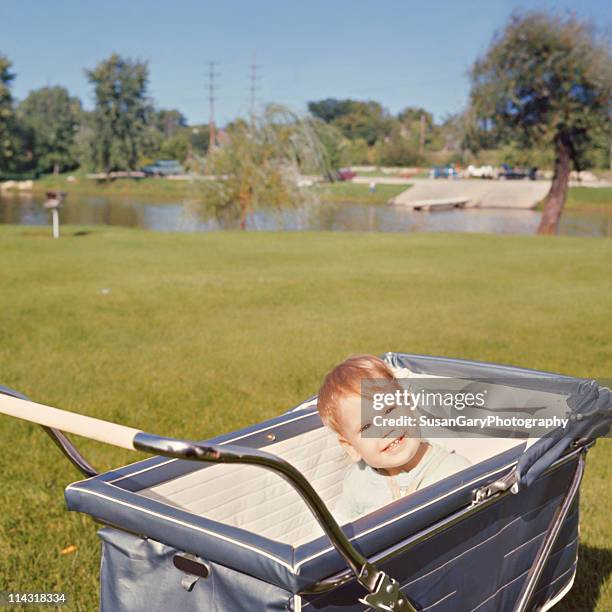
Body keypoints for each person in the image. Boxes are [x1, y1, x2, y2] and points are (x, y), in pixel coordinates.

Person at [317, 355, 470, 524]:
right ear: (351, 448)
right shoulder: (357, 483)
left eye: (389, 410)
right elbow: (340, 530)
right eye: (366, 427)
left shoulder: (455, 471)